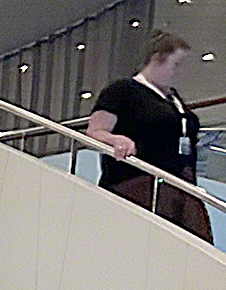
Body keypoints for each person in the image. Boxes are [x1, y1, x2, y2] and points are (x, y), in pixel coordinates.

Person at [86, 31, 212, 243]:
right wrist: (117, 140)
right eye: (176, 65)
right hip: (137, 184)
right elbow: (95, 132)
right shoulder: (122, 90)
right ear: (156, 60)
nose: (178, 72)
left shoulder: (173, 100)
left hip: (180, 187)